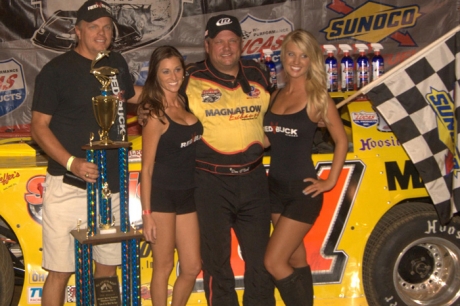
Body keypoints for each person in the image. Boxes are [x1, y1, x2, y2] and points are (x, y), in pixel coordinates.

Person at [30, 1, 140, 305]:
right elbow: (38, 127)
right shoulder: (56, 71)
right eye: (93, 26)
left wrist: (170, 95)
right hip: (70, 186)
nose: (101, 32)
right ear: (77, 31)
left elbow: (133, 97)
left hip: (112, 189)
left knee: (107, 271)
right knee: (60, 273)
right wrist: (71, 162)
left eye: (106, 26)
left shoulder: (116, 62)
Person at [182, 14, 275, 306]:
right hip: (210, 183)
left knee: (261, 262)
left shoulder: (258, 74)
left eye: (232, 41)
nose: (226, 48)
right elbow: (164, 111)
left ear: (241, 43)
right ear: (207, 45)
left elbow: (276, 118)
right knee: (217, 264)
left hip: (254, 180)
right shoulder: (189, 78)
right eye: (219, 42)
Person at [263, 29, 348, 305]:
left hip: (303, 192)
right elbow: (266, 138)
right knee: (295, 258)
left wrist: (330, 181)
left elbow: (341, 141)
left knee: (274, 262)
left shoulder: (318, 97)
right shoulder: (275, 95)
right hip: (274, 190)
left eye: (303, 55)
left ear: (312, 60)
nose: (296, 61)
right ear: (283, 57)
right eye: (291, 54)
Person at [139, 45, 202, 306]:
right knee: (163, 267)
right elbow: (147, 168)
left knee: (192, 266)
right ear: (156, 75)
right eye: (166, 71)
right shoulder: (155, 113)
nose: (173, 76)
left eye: (177, 69)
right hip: (162, 197)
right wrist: (147, 214)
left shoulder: (186, 101)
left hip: (189, 194)